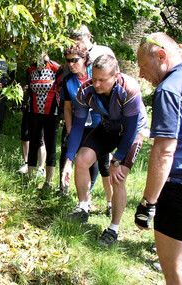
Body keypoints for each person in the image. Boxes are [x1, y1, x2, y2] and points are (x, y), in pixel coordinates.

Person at [61, 54, 148, 246]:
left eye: (102, 80)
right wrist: (69, 159)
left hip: (131, 133)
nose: (97, 84)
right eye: (94, 79)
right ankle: (83, 208)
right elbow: (77, 126)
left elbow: (131, 131)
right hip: (108, 127)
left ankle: (113, 228)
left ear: (115, 76)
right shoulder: (86, 90)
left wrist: (116, 161)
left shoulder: (129, 89)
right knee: (82, 159)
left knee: (118, 177)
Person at [135, 33, 182, 285]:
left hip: (178, 189)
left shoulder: (169, 89)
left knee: (176, 272)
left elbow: (164, 151)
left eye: (143, 66)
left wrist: (148, 203)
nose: (142, 75)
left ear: (162, 57)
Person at [59, 42, 113, 210]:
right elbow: (68, 106)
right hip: (80, 124)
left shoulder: (95, 75)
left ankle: (110, 202)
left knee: (104, 165)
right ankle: (85, 202)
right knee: (84, 161)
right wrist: (69, 128)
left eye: (74, 60)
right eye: (67, 61)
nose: (71, 64)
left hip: (101, 124)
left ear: (85, 58)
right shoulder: (68, 80)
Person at [25, 52, 62, 188]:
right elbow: (29, 87)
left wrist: (62, 113)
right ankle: (30, 179)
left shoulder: (56, 68)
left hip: (52, 112)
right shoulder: (30, 69)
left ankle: (48, 181)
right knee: (33, 143)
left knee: (51, 144)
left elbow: (61, 89)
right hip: (34, 111)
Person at [18, 85, 46, 176]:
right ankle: (26, 163)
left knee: (40, 139)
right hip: (30, 106)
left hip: (43, 108)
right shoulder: (31, 71)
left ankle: (41, 168)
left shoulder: (50, 72)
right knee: (25, 134)